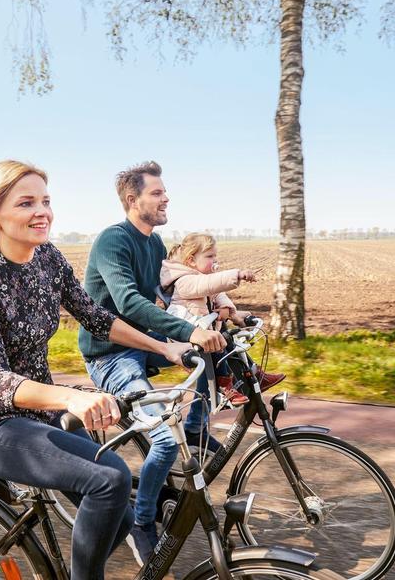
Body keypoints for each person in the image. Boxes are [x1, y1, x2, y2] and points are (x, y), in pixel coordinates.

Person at [0, 160, 190, 580]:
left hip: (39, 413)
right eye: (27, 202)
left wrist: (167, 346)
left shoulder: (47, 258)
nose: (42, 212)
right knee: (109, 478)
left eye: (46, 201)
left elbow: (97, 317)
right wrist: (73, 396)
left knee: (120, 515)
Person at [78, 160, 227, 564]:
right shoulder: (114, 241)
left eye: (165, 192)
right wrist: (183, 335)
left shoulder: (155, 244)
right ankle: (142, 522)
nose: (166, 198)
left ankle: (187, 445)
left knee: (207, 365)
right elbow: (128, 303)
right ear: (133, 199)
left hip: (144, 345)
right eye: (157, 193)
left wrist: (213, 318)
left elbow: (166, 298)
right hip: (111, 355)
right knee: (163, 438)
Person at [160, 232, 286, 408]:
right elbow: (210, 285)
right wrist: (238, 274)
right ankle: (224, 387)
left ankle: (255, 374)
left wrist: (228, 309)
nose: (215, 260)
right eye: (210, 256)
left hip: (206, 329)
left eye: (215, 255)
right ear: (191, 261)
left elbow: (217, 293)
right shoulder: (185, 281)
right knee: (220, 345)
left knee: (228, 343)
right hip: (189, 334)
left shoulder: (200, 278)